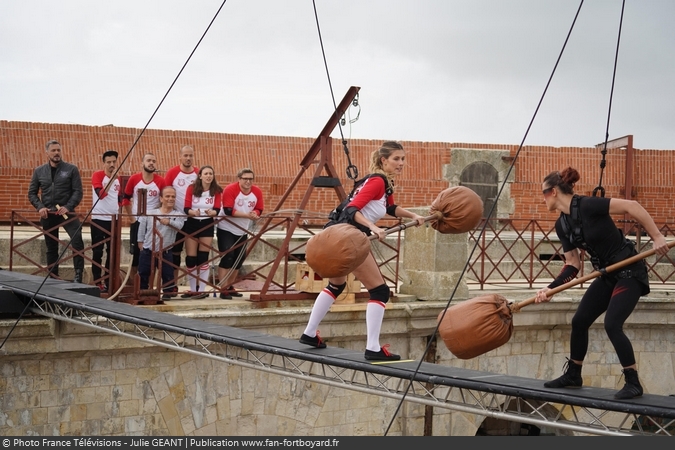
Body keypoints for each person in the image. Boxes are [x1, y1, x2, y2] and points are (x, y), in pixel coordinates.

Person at [535, 167, 669, 399]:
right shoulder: (562, 225)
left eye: (544, 193)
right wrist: (551, 288)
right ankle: (574, 375)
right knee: (580, 320)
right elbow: (573, 264)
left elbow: (632, 206)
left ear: (553, 192)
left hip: (629, 270)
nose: (543, 198)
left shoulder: (588, 205)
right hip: (608, 274)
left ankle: (633, 381)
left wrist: (657, 236)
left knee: (612, 323)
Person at [298, 141, 425, 361]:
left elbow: (390, 208)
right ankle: (373, 347)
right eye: (396, 159)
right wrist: (373, 226)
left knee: (336, 285)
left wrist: (413, 215)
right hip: (348, 237)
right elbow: (351, 208)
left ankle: (309, 333)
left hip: (337, 234)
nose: (401, 163)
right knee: (379, 291)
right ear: (383, 160)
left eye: (403, 159)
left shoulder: (382, 183)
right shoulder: (377, 181)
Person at [28, 139, 85, 283]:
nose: (56, 153)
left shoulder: (71, 169)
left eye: (58, 150)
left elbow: (78, 191)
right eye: (53, 150)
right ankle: (52, 276)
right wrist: (40, 207)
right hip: (48, 213)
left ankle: (78, 274)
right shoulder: (39, 171)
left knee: (77, 240)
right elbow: (32, 193)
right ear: (47, 153)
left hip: (66, 212)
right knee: (51, 246)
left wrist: (69, 206)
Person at [216, 168, 264, 299]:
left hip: (242, 229)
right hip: (226, 227)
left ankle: (230, 286)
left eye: (250, 179)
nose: (248, 181)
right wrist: (247, 215)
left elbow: (259, 208)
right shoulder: (230, 189)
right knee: (228, 256)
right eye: (245, 179)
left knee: (239, 258)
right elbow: (228, 210)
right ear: (239, 179)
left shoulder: (257, 191)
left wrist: (256, 214)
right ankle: (223, 287)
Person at [121, 153, 166, 284]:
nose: (151, 163)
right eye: (148, 160)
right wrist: (131, 219)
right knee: (135, 255)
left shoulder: (160, 181)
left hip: (153, 224)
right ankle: (136, 284)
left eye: (154, 161)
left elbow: (164, 200)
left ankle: (150, 287)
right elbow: (125, 199)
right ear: (142, 163)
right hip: (137, 222)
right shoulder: (134, 179)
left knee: (153, 255)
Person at [137, 186, 186, 298]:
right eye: (167, 196)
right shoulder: (150, 213)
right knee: (144, 272)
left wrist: (169, 222)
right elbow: (141, 228)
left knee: (167, 274)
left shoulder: (178, 214)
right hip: (148, 249)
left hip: (166, 250)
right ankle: (143, 293)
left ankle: (167, 294)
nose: (170, 199)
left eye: (173, 196)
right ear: (161, 198)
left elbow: (179, 226)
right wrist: (140, 243)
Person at [182, 165, 222, 299]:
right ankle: (193, 289)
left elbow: (217, 208)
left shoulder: (216, 190)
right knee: (191, 258)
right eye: (206, 173)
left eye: (211, 173)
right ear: (200, 176)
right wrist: (193, 212)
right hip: (192, 223)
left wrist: (213, 212)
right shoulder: (191, 188)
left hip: (207, 223)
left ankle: (202, 289)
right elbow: (186, 207)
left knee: (203, 258)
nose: (208, 176)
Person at [163, 145, 198, 292]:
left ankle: (195, 288)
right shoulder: (172, 173)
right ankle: (172, 285)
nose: (188, 158)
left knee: (193, 255)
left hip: (194, 219)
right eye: (185, 156)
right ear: (180, 156)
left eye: (190, 156)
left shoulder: (198, 173)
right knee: (174, 253)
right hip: (176, 218)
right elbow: (165, 193)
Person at [90, 149, 121, 291]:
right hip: (99, 218)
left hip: (113, 220)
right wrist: (111, 179)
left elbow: (119, 198)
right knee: (98, 251)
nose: (112, 165)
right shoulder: (98, 175)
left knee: (112, 251)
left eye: (114, 162)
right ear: (104, 163)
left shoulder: (118, 179)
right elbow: (101, 195)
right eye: (109, 162)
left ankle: (109, 279)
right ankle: (97, 280)